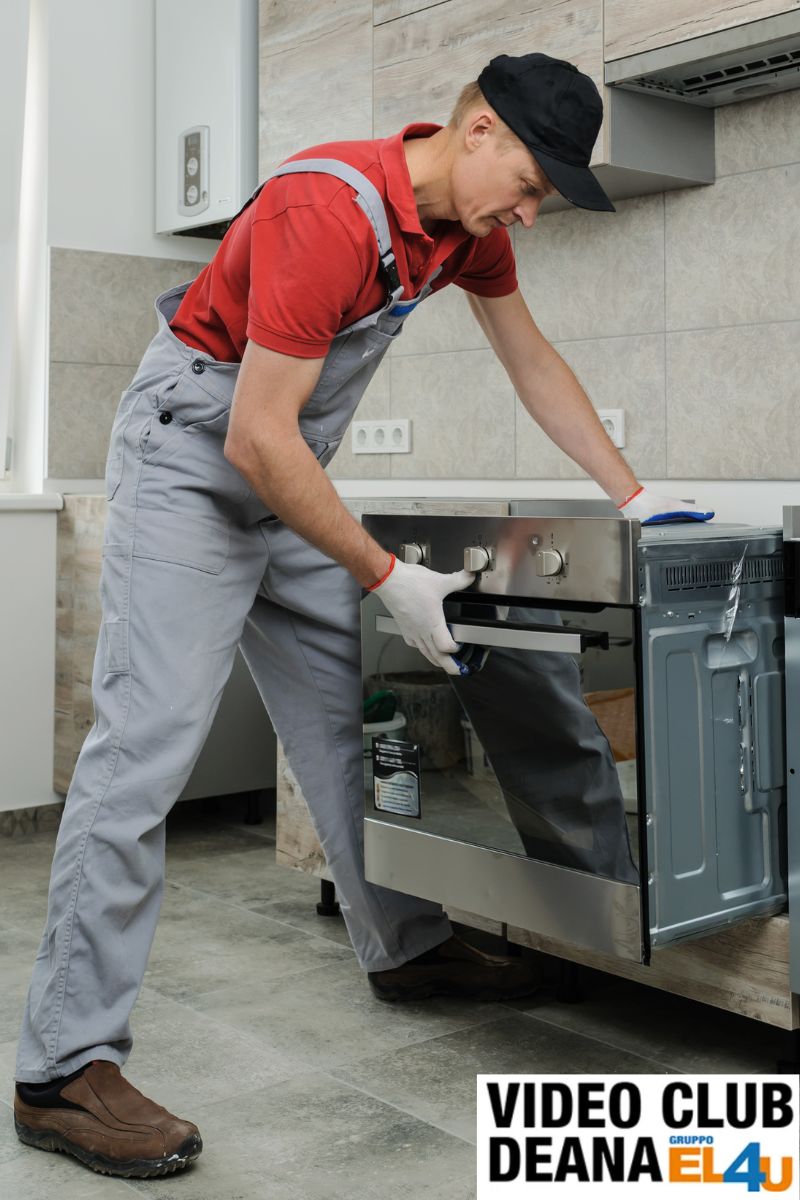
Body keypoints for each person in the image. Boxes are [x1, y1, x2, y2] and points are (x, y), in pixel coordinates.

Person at [13, 52, 712, 1179]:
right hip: (195, 461)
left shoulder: (465, 234)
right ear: (476, 131)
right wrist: (386, 573)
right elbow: (255, 436)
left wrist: (635, 499)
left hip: (283, 467)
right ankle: (61, 1069)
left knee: (345, 722)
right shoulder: (325, 210)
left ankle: (406, 946)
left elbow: (529, 360)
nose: (528, 215)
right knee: (142, 754)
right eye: (530, 185)